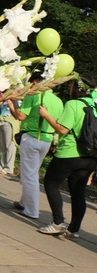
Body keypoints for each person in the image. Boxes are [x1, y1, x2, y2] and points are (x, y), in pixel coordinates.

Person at [36, 77, 97, 240]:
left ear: (76, 88)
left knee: (51, 183)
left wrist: (46, 115)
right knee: (78, 193)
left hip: (69, 153)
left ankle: (57, 223)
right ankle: (74, 229)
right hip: (90, 156)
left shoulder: (73, 104)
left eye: (70, 85)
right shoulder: (95, 104)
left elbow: (62, 129)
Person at [9, 71, 63, 219]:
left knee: (29, 176)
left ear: (34, 82)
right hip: (47, 139)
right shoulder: (58, 101)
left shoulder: (33, 95)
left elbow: (20, 116)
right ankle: (24, 202)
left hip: (31, 137)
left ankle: (31, 210)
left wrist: (13, 102)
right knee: (32, 172)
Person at [0, 100, 19, 175]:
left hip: (10, 123)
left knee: (9, 146)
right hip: (2, 122)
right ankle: (2, 165)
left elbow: (18, 115)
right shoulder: (5, 99)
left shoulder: (18, 101)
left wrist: (11, 104)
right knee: (3, 146)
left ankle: (9, 168)